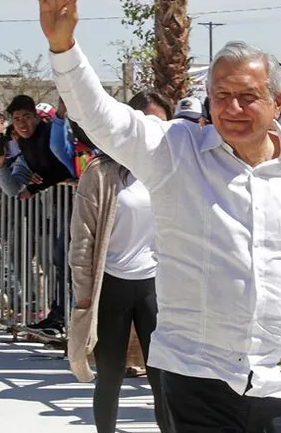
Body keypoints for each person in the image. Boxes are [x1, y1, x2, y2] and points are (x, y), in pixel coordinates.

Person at [30, 0, 281, 432]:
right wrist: (64, 48)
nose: (232, 109)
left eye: (247, 97)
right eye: (221, 96)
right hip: (193, 374)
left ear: (278, 101)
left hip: (277, 384)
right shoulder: (175, 152)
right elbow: (102, 118)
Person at [68, 93, 175, 433]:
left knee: (163, 379)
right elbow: (82, 240)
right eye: (144, 121)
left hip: (156, 287)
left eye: (158, 122)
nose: (151, 130)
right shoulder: (101, 173)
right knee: (110, 376)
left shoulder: (175, 170)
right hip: (112, 284)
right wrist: (84, 296)